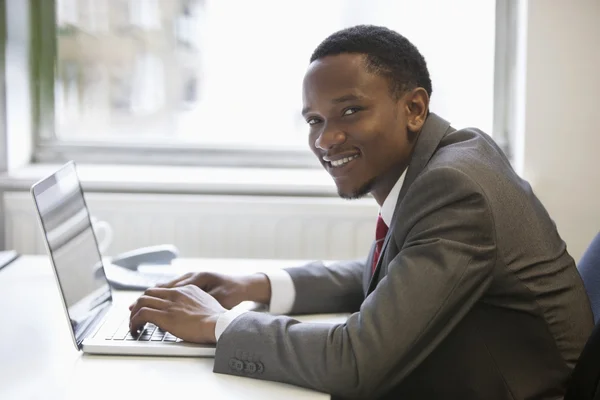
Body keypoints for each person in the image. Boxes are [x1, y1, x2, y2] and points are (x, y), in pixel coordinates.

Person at [128, 25, 594, 399]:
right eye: (315, 120)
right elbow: (394, 271)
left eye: (350, 111)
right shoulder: (449, 158)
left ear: (414, 108)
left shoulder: (455, 188)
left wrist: (217, 324)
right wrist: (260, 285)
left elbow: (356, 362)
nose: (325, 140)